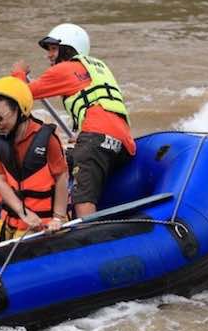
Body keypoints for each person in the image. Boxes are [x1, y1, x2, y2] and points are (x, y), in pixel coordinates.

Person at [12, 23, 135, 217]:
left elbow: (17, 94)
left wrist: (18, 73)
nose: (49, 55)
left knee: (82, 197)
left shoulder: (65, 69)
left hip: (96, 139)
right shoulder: (98, 67)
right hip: (124, 144)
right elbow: (100, 107)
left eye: (53, 48)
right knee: (58, 161)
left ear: (68, 48)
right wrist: (82, 135)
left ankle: (87, 239)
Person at [0, 77, 70, 246]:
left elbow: (61, 178)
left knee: (17, 251)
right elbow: (0, 180)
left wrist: (58, 218)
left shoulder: (47, 138)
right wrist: (22, 212)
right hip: (11, 217)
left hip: (43, 221)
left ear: (20, 110)